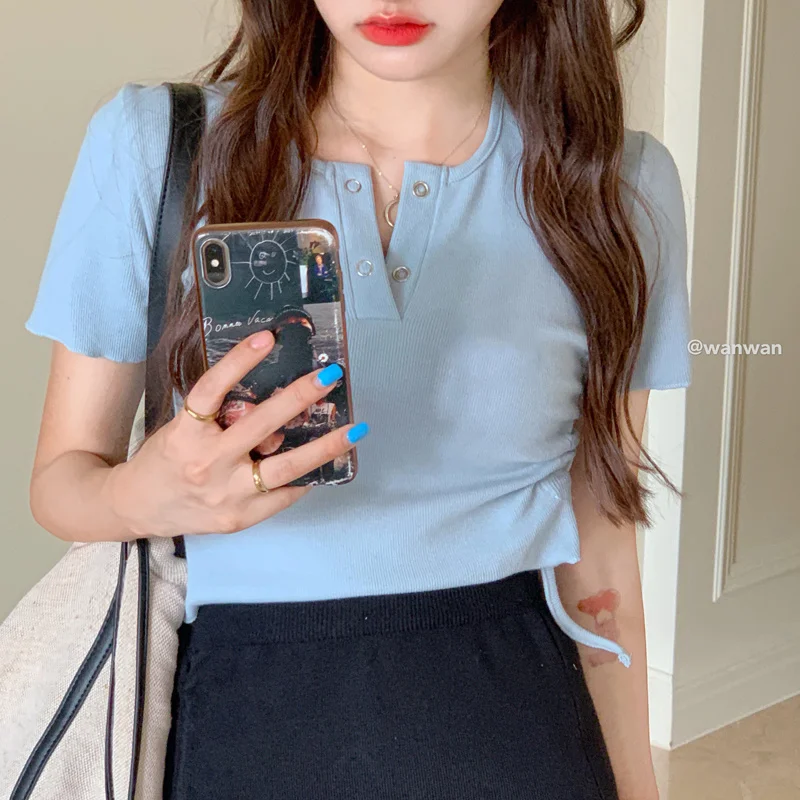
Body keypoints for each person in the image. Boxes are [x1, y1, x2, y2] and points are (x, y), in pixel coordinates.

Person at [24, 1, 692, 798]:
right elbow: (61, 483)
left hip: (522, 725)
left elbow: (604, 549)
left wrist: (638, 787)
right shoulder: (159, 146)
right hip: (240, 723)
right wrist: (148, 493)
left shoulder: (619, 186)